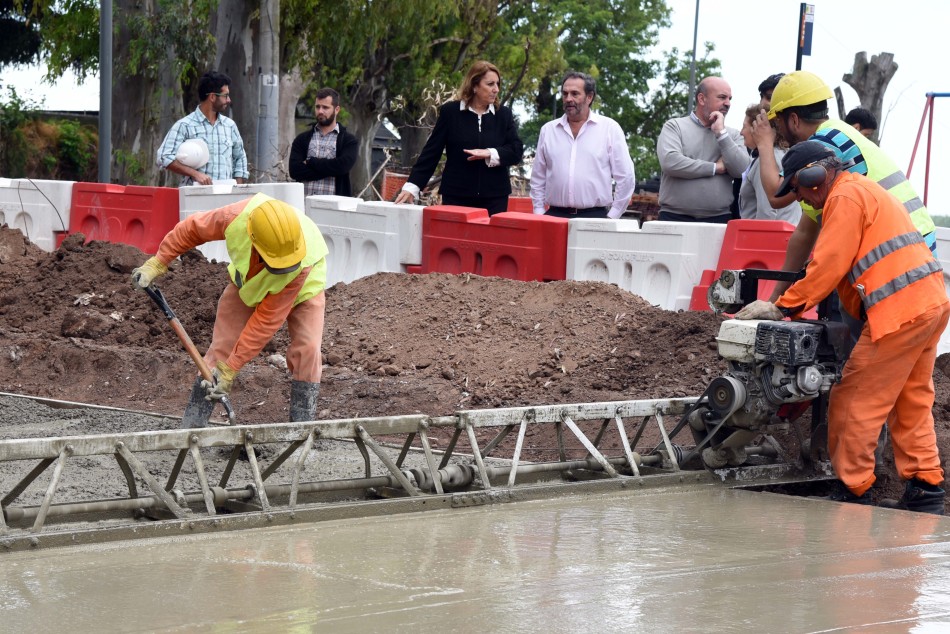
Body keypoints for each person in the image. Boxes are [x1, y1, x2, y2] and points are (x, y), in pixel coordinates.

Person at [736, 141, 948, 515]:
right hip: (929, 302)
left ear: (814, 177)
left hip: (899, 310)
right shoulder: (863, 190)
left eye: (798, 189)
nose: (802, 199)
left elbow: (828, 265)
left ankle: (854, 489)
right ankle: (925, 489)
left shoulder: (844, 197)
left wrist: (781, 306)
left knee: (854, 398)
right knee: (910, 398)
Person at [130, 194, 329, 428]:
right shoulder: (234, 217)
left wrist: (232, 369)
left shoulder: (300, 262)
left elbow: (266, 321)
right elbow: (191, 229)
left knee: (307, 350)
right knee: (221, 350)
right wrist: (159, 261)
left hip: (304, 288)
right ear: (254, 241)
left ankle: (302, 431)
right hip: (247, 285)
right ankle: (192, 428)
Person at [753, 70, 937, 303]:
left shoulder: (823, 144)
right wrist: (774, 301)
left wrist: (764, 143)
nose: (776, 129)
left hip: (901, 248)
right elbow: (805, 233)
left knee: (870, 314)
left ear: (794, 120)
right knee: (850, 310)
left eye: (777, 122)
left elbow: (776, 195)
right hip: (911, 241)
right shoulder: (836, 133)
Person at [393, 60, 523, 214]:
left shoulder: (504, 114)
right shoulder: (450, 112)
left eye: (498, 84)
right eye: (490, 84)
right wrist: (412, 186)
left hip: (495, 198)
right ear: (474, 86)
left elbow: (516, 151)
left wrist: (490, 153)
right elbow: (432, 152)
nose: (496, 89)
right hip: (456, 196)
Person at [529, 71, 635, 219]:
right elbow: (538, 177)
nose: (568, 99)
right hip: (553, 216)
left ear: (589, 97)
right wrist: (539, 212)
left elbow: (626, 177)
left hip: (594, 217)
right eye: (565, 94)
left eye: (574, 94)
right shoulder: (548, 130)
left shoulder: (609, 128)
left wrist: (613, 215)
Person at [656, 76, 750, 223]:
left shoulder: (732, 135)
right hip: (674, 217)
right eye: (722, 97)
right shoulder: (674, 127)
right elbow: (670, 162)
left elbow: (742, 170)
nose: (728, 103)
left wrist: (721, 134)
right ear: (701, 99)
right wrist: (715, 168)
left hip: (719, 218)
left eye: (729, 98)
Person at [157, 71, 249, 186]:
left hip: (225, 194)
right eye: (225, 95)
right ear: (212, 97)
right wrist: (195, 174)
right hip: (195, 194)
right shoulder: (185, 125)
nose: (229, 100)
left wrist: (238, 190)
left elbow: (240, 158)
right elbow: (163, 157)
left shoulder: (230, 126)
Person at [288, 87, 359, 196]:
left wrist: (311, 162)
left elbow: (342, 167)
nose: (320, 111)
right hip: (303, 204)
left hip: (334, 205)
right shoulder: (302, 139)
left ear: (336, 110)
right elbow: (294, 171)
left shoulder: (348, 140)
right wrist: (332, 169)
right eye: (318, 107)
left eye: (325, 107)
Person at [737, 104, 801, 222]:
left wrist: (762, 233)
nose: (741, 132)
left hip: (769, 231)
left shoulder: (765, 161)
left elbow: (767, 212)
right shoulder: (784, 154)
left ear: (756, 128)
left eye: (744, 126)